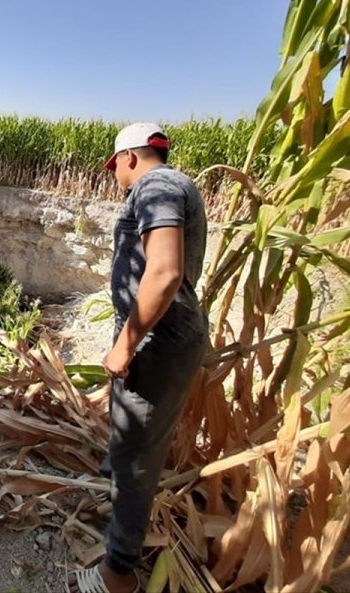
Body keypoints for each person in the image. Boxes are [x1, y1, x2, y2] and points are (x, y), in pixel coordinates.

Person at [69, 123, 209, 593]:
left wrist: (126, 344)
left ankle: (117, 573)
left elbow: (165, 271)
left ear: (129, 158)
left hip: (156, 345)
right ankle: (117, 506)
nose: (116, 178)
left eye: (115, 170)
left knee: (136, 459)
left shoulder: (156, 186)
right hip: (159, 340)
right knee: (131, 442)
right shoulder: (172, 185)